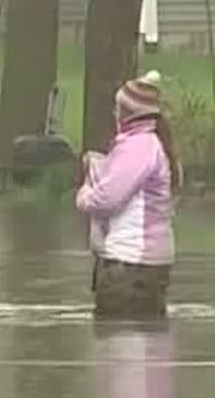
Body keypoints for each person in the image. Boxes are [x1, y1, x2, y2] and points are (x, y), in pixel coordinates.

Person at [75, 70, 179, 320]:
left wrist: (84, 193)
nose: (114, 113)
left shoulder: (138, 146)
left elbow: (105, 199)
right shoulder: (154, 144)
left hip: (129, 265)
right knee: (149, 346)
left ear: (129, 113)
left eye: (117, 108)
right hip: (147, 266)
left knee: (120, 346)